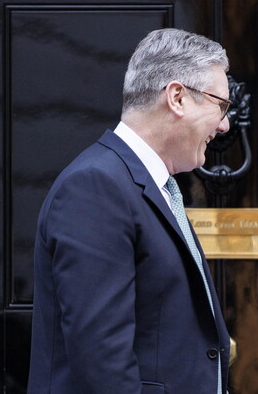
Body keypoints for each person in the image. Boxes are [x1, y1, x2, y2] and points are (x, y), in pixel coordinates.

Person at [28, 28, 232, 393]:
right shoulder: (96, 187)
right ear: (178, 98)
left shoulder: (154, 186)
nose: (225, 124)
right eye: (221, 105)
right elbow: (101, 361)